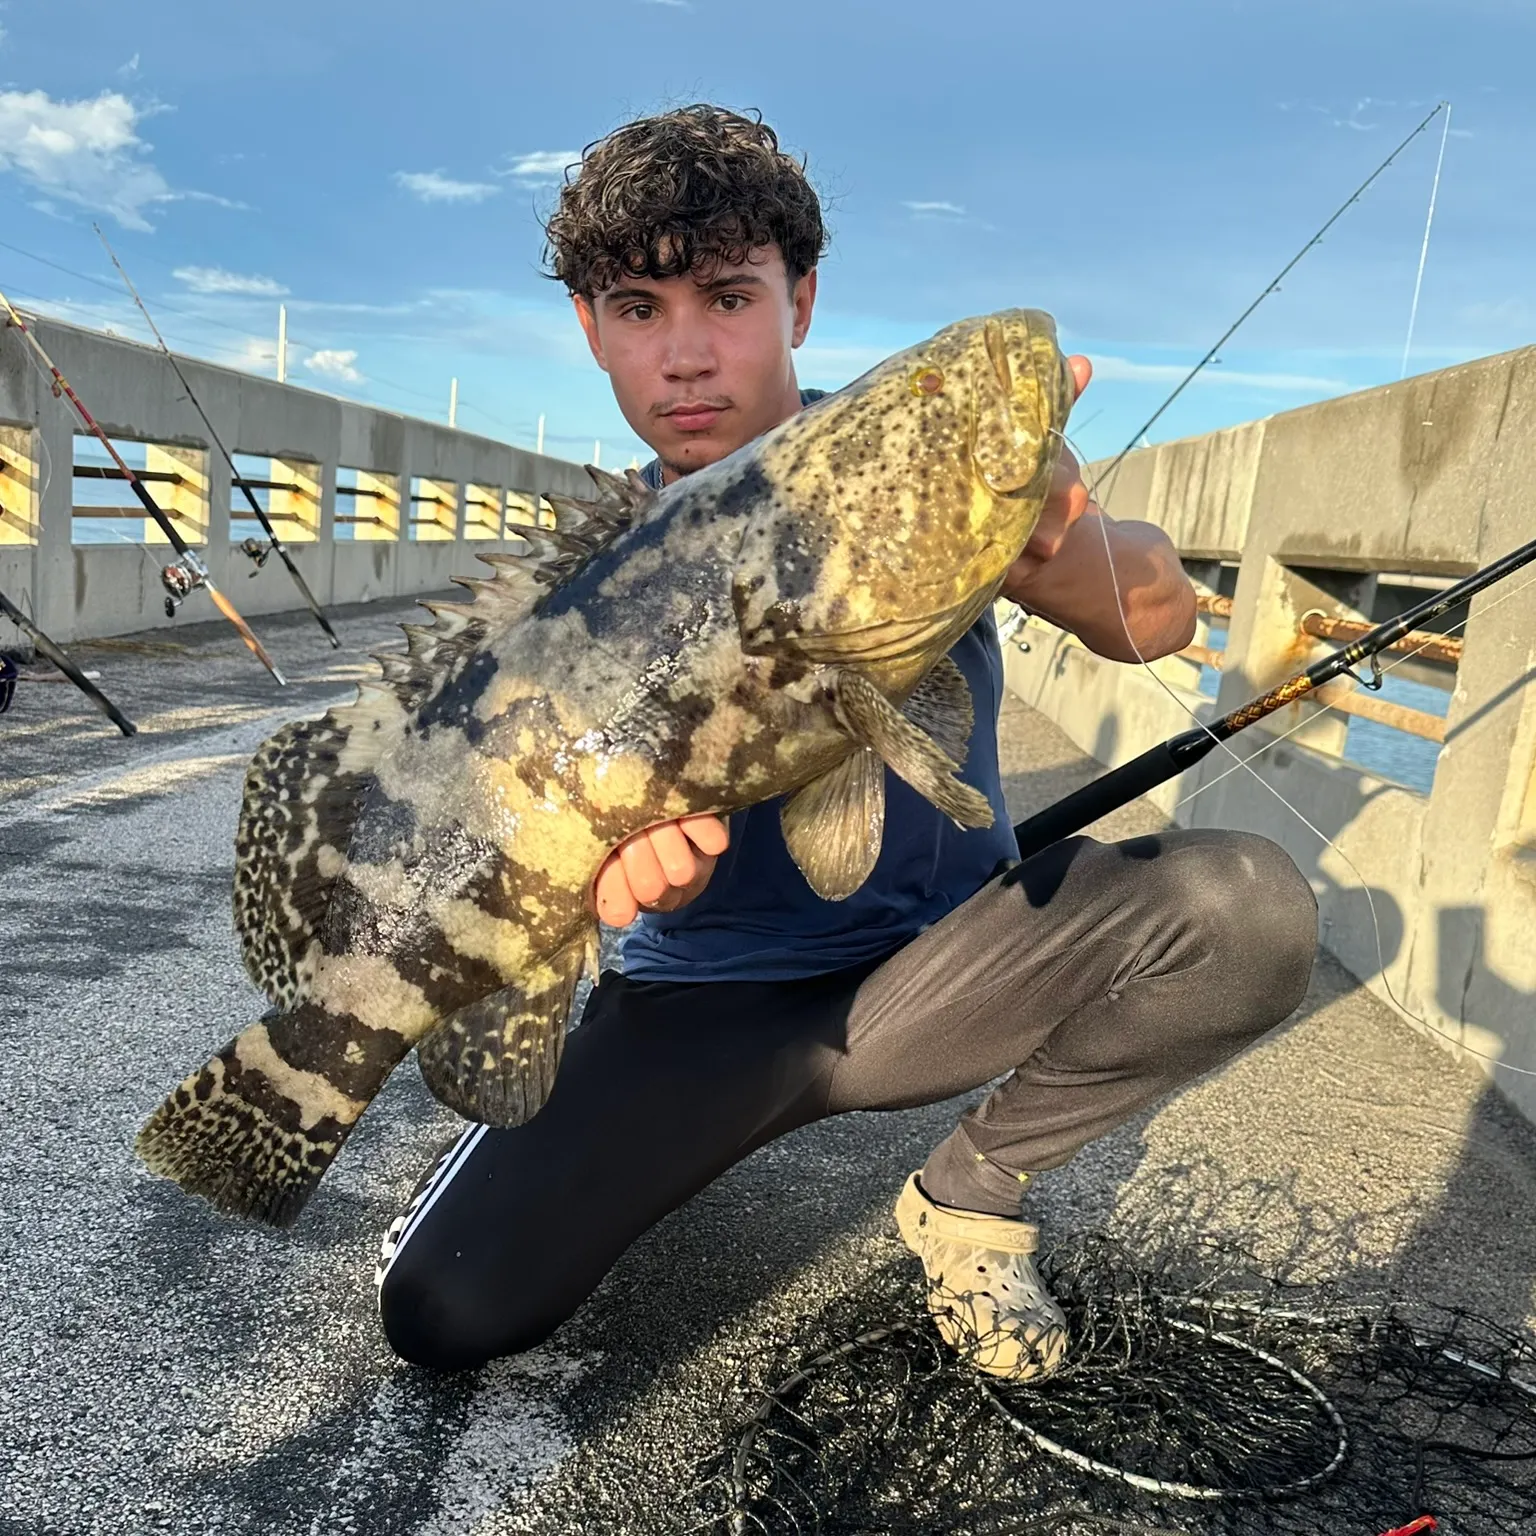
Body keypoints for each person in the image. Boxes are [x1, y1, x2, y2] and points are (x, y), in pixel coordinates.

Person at [375, 104, 1318, 1379]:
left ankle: (973, 1194)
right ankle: (531, 1146)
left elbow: (1157, 619)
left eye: (728, 296)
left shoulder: (917, 457)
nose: (688, 356)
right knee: (444, 1313)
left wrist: (1045, 542)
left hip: (948, 965)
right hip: (704, 1004)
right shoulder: (592, 584)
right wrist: (598, 887)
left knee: (1248, 906)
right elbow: (522, 820)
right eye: (639, 309)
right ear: (590, 330)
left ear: (801, 302)